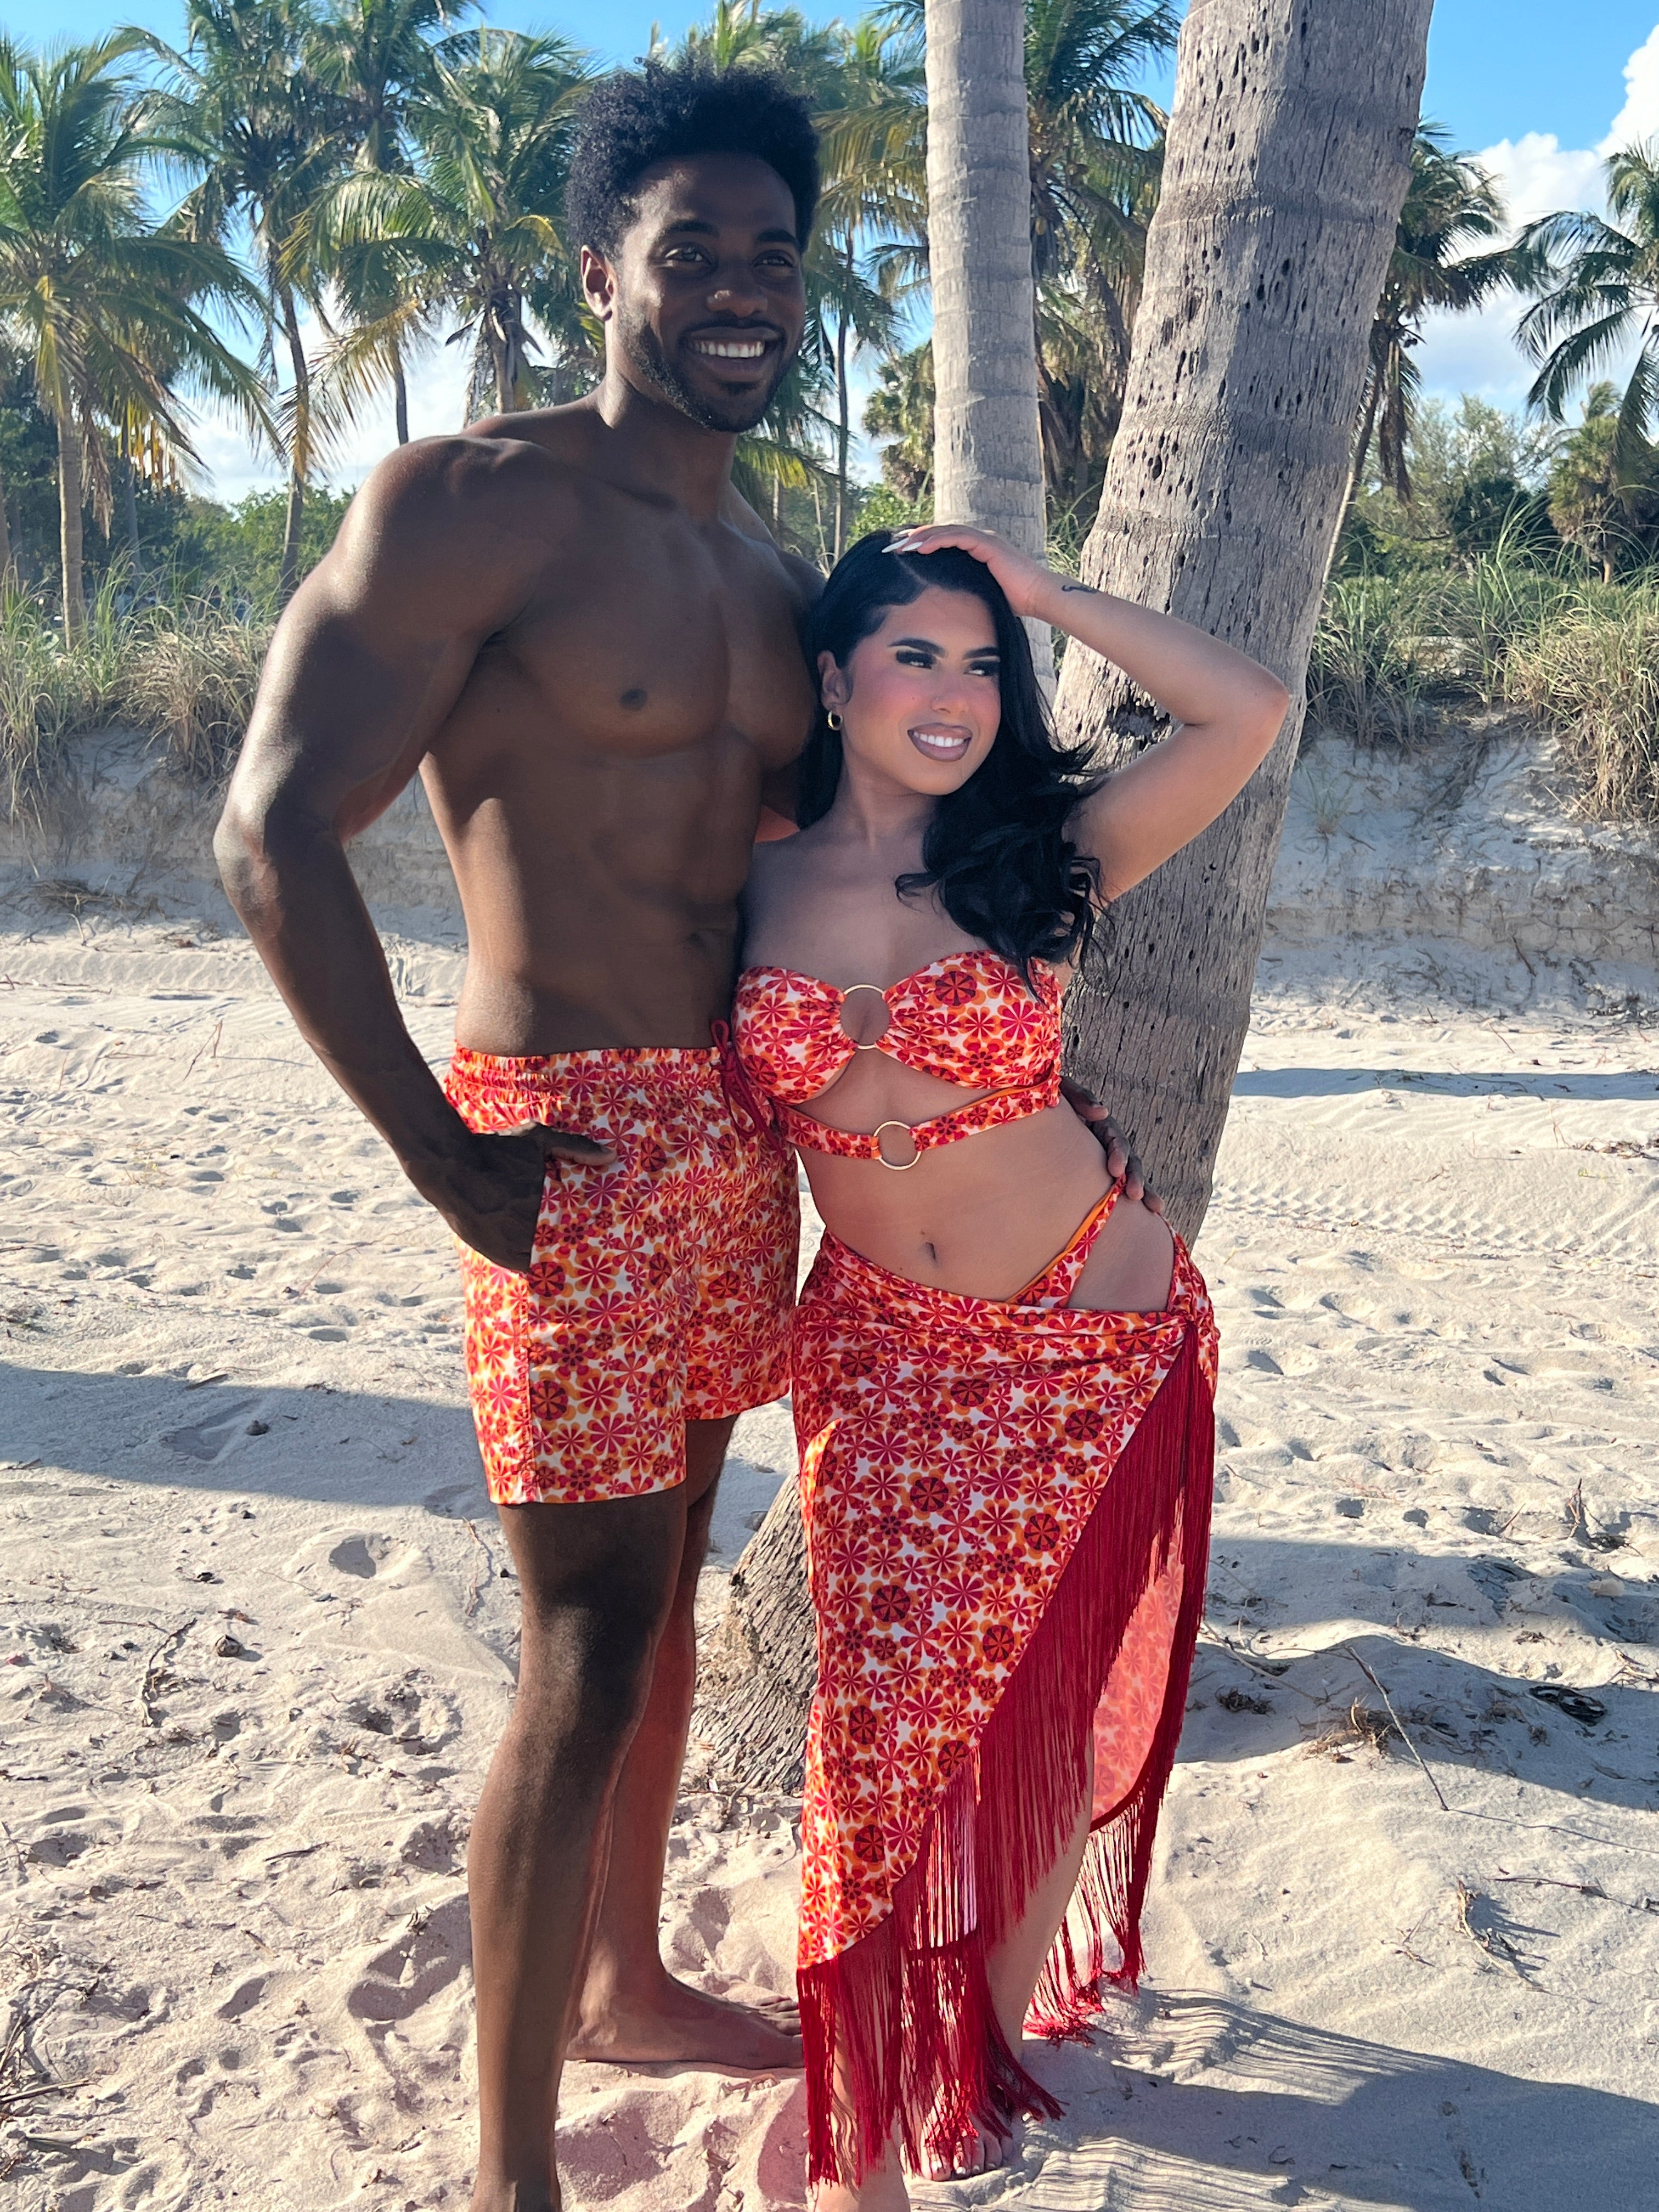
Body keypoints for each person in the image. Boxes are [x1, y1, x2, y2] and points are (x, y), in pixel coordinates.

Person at [215, 54, 826, 2212]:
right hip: (553, 1138)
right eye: (697, 252)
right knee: (577, 1646)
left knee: (653, 1605)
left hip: (733, 1154)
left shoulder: (776, 573)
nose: (743, 290)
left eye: (776, 255)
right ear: (604, 272)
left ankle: (627, 1986)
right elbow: (274, 829)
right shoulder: (478, 502)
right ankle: (509, 2175)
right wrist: (434, 1149)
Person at [731, 525, 1290, 2211]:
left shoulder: (1041, 855)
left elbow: (1248, 710)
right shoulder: (743, 871)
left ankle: (963, 2037)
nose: (956, 695)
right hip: (889, 1357)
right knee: (881, 1727)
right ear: (835, 680)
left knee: (1039, 1698)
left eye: (984, 666)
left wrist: (1036, 593)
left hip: (1091, 1334)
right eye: (916, 655)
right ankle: (860, 2110)